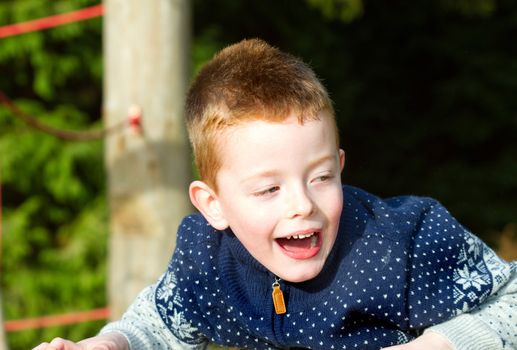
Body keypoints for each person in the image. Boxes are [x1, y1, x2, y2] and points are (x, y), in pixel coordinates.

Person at [34, 39, 516, 350]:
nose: (301, 204)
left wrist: (439, 345)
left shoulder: (399, 243)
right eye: (268, 188)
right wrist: (110, 343)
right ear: (213, 205)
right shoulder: (209, 260)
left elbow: (510, 303)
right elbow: (159, 324)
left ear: (340, 166)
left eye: (321, 177)